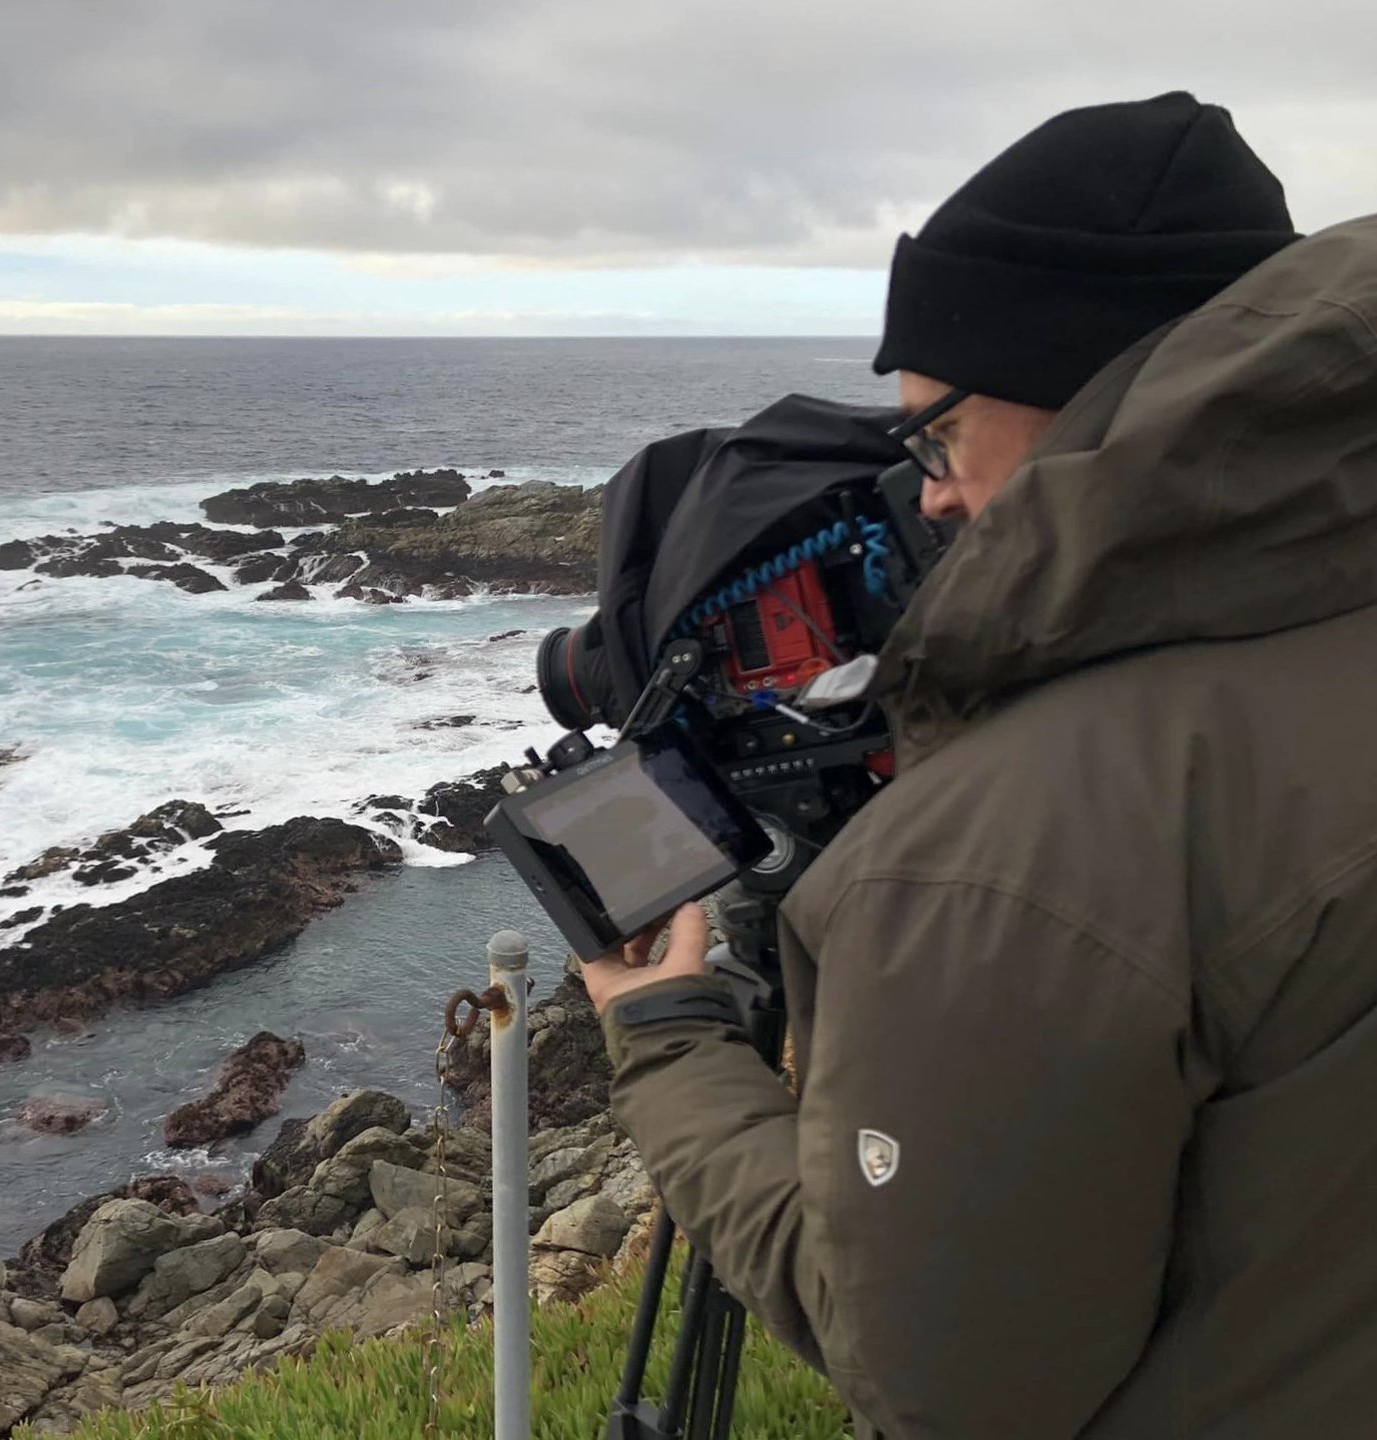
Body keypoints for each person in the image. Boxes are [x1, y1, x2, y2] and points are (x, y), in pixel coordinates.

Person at [586, 92, 1377, 1438]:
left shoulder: (1012, 858)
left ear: (1083, 390)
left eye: (939, 436)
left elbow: (939, 1383)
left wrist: (668, 1043)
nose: (932, 496)